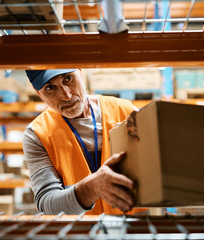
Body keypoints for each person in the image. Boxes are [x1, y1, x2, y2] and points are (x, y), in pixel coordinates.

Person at [23, 69, 144, 215]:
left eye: (68, 78)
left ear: (81, 72)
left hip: (134, 228)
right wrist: (92, 187)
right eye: (50, 88)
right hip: (78, 232)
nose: (66, 96)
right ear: (39, 93)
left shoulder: (126, 112)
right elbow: (47, 203)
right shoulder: (37, 134)